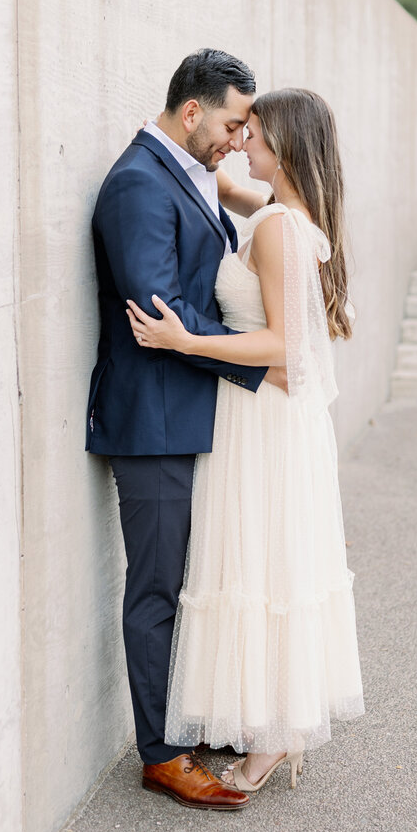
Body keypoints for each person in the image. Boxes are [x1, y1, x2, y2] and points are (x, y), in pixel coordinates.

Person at [126, 88, 365, 793]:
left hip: (260, 420)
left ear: (284, 149)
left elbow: (285, 348)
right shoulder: (285, 216)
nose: (241, 145)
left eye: (252, 135)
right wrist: (186, 150)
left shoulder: (276, 229)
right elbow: (231, 187)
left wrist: (184, 337)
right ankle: (271, 725)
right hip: (263, 420)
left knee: (263, 568)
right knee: (265, 563)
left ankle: (272, 743)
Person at [87, 48, 286, 811]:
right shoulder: (139, 183)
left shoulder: (189, 169)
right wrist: (256, 362)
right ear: (193, 110)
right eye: (234, 123)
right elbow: (158, 310)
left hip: (187, 408)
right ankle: (161, 753)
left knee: (190, 582)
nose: (239, 138)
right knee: (158, 587)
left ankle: (189, 720)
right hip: (153, 421)